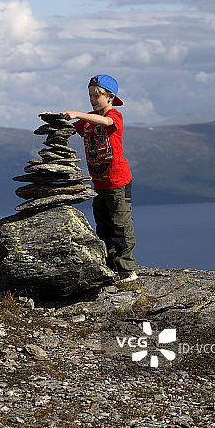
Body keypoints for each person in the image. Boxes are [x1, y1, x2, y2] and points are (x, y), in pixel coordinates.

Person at [61, 74, 139, 282]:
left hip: (118, 182)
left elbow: (106, 121)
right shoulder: (87, 121)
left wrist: (78, 114)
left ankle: (127, 269)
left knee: (120, 225)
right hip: (99, 183)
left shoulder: (114, 116)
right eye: (90, 95)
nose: (93, 100)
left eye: (97, 95)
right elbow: (67, 129)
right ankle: (110, 266)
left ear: (111, 97)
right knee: (103, 225)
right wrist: (55, 119)